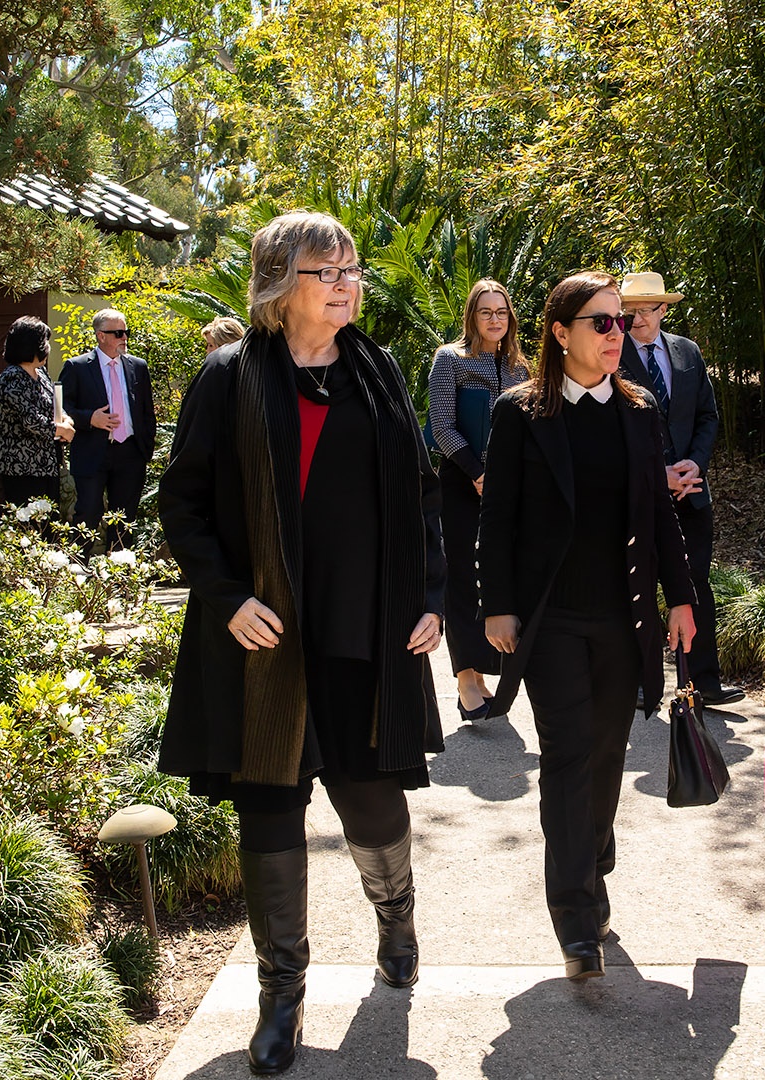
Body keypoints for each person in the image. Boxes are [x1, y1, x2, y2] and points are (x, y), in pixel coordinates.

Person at [157, 211, 447, 1076]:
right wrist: (229, 596)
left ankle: (395, 914)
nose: (349, 281)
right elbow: (184, 504)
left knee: (370, 800)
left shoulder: (379, 374)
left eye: (353, 267)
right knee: (270, 813)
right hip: (265, 640)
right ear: (282, 282)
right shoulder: (227, 378)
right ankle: (282, 992)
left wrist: (430, 594)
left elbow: (422, 493)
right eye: (331, 270)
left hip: (364, 628)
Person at [479, 270, 697, 981]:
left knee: (606, 753)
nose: (616, 334)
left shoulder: (639, 409)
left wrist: (683, 599)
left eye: (619, 321)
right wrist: (496, 604)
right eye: (601, 322)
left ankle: (590, 850)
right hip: (552, 618)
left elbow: (660, 513)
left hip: (621, 615)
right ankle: (575, 916)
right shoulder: (521, 414)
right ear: (560, 332)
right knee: (569, 753)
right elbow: (497, 516)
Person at [619, 272, 742, 706]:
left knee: (695, 584)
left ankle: (703, 682)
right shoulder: (610, 355)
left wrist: (695, 464)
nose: (637, 319)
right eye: (629, 310)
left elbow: (707, 416)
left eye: (646, 309)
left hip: (691, 492)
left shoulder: (687, 351)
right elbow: (614, 430)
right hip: (638, 491)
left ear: (664, 310)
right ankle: (639, 680)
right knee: (637, 581)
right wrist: (658, 473)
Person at [428, 279, 530, 723]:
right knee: (464, 578)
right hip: (461, 480)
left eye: (501, 312)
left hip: (510, 486)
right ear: (472, 315)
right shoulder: (449, 359)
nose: (494, 319)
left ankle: (488, 670)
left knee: (499, 573)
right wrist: (477, 473)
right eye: (486, 311)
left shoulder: (521, 368)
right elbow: (441, 426)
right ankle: (467, 677)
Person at [61, 308, 156, 551]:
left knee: (124, 520)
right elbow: (61, 407)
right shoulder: (77, 366)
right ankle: (79, 576)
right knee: (88, 514)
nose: (124, 338)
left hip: (130, 452)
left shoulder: (138, 366)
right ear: (100, 336)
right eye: (118, 333)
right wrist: (89, 418)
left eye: (126, 332)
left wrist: (146, 448)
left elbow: (147, 412)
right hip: (93, 451)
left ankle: (120, 581)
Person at [0, 315, 75, 514]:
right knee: (29, 526)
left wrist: (66, 419)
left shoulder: (41, 373)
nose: (48, 347)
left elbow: (55, 405)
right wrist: (61, 429)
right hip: (22, 468)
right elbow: (30, 419)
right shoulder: (11, 377)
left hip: (48, 464)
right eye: (45, 342)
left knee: (49, 525)